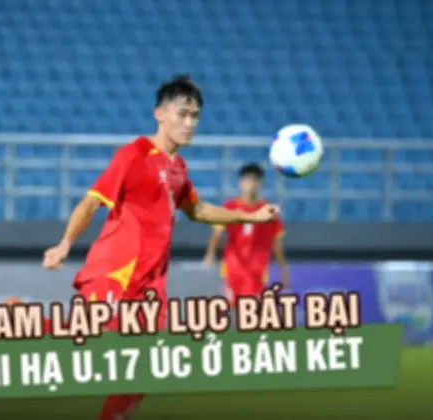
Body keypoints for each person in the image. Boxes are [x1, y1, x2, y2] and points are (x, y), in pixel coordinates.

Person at [41, 75, 280, 420]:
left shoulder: (178, 167)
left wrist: (252, 216)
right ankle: (17, 319)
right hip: (116, 272)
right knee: (90, 346)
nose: (190, 123)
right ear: (160, 114)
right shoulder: (134, 154)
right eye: (183, 114)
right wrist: (65, 243)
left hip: (151, 284)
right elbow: (91, 202)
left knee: (145, 369)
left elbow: (197, 210)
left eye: (195, 116)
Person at [203, 163, 289, 305]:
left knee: (253, 308)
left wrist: (283, 269)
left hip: (258, 269)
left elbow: (276, 244)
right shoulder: (229, 207)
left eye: (255, 180)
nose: (251, 184)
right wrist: (210, 253)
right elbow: (217, 233)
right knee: (230, 307)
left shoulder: (269, 211)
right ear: (240, 182)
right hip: (234, 267)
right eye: (247, 180)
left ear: (261, 183)